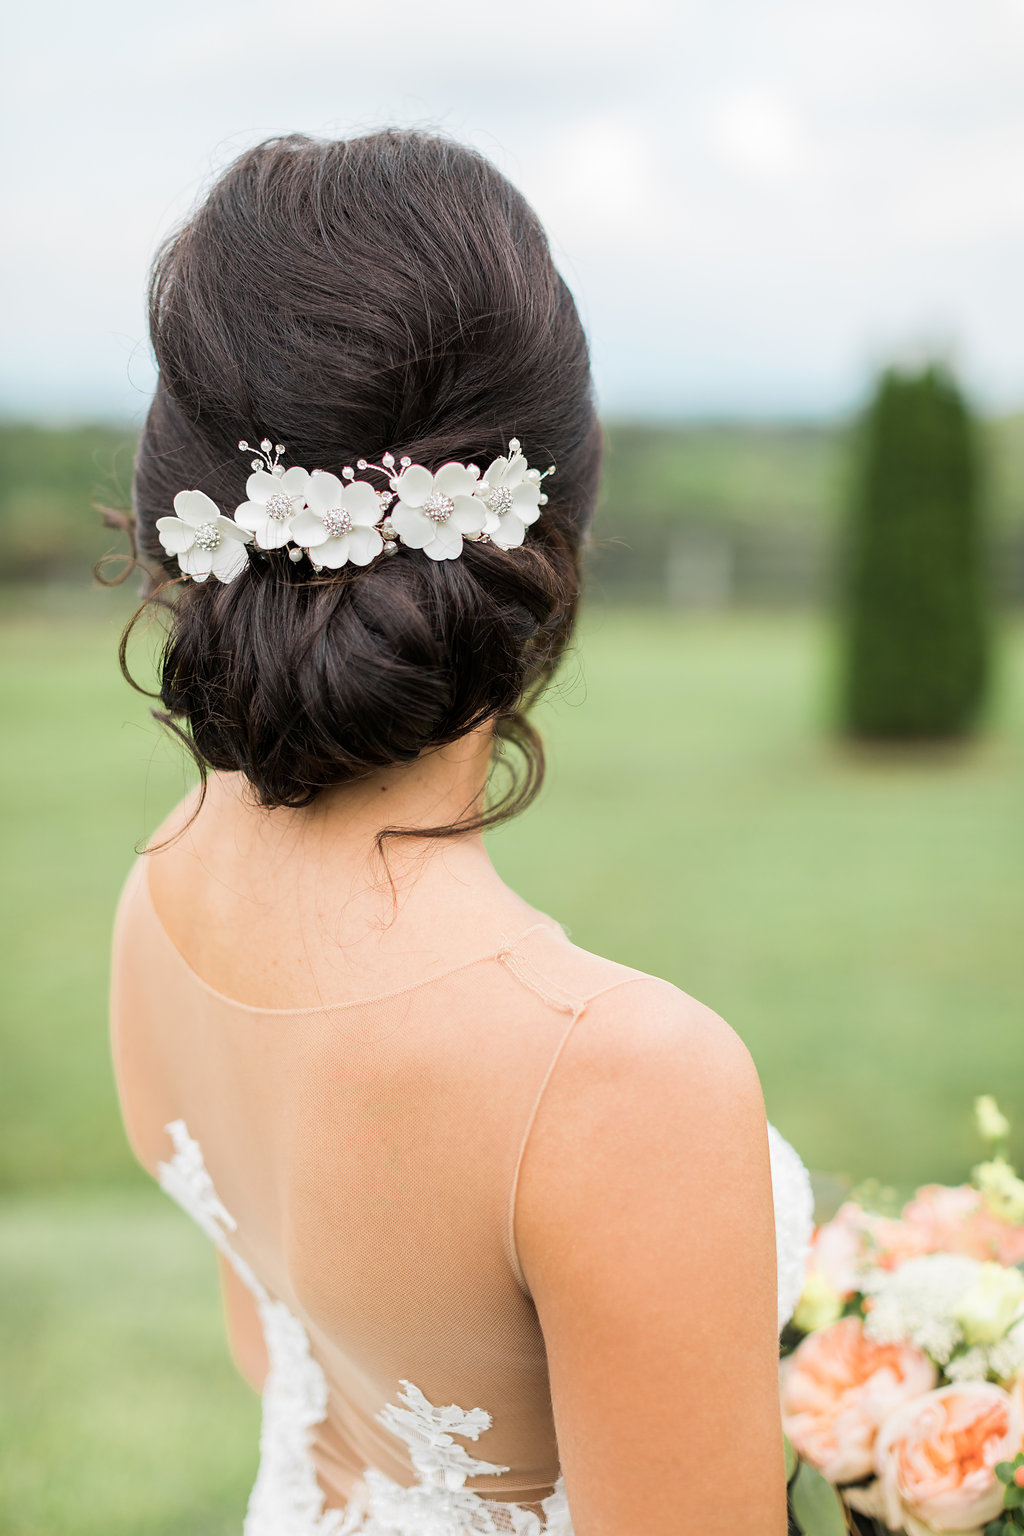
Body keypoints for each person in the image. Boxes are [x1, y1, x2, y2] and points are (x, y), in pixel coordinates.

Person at [108, 130, 811, 1535]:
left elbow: (284, 1360)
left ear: (179, 505)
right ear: (558, 515)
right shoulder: (613, 1076)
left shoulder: (167, 876)